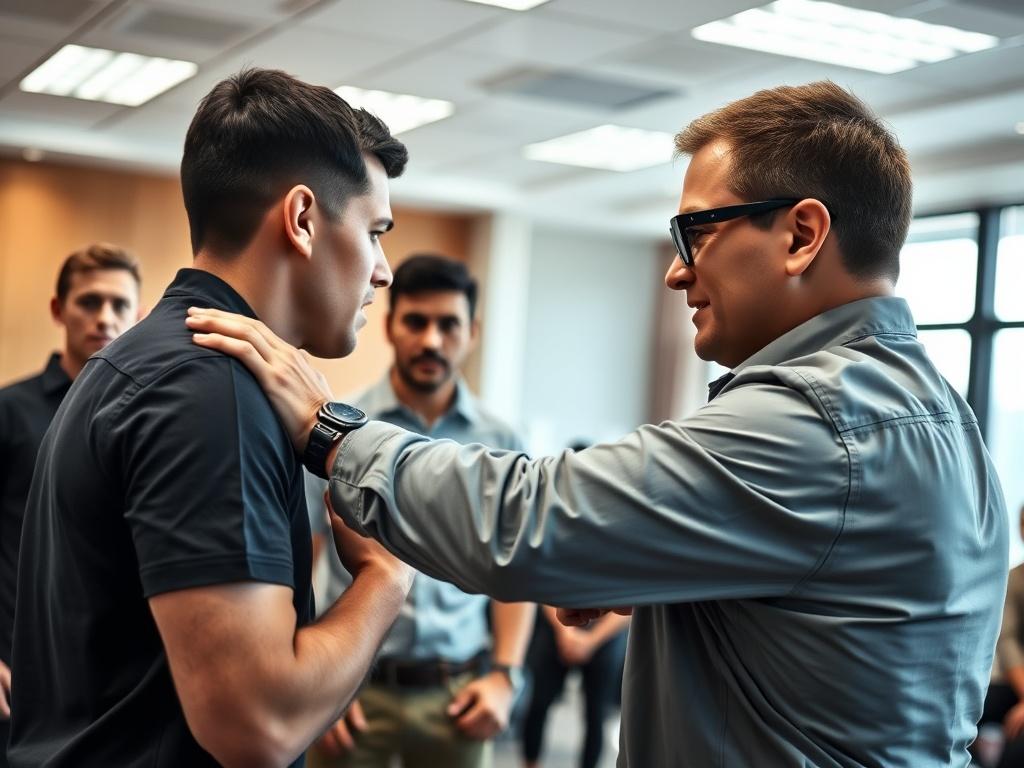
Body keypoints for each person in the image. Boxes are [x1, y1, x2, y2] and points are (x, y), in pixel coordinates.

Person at [187, 80, 1009, 767]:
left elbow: (528, 516)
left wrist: (333, 432)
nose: (679, 272)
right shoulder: (940, 418)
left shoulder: (821, 424)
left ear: (801, 234)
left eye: (697, 231)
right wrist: (650, 575)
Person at [9, 68, 413, 768]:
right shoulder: (208, 391)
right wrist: (384, 576)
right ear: (303, 219)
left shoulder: (153, 362)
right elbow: (258, 724)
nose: (383, 271)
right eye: (375, 232)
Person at [306, 254, 532, 768]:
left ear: (471, 332)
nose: (431, 340)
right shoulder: (336, 433)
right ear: (389, 326)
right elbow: (302, 557)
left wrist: (504, 676)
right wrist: (314, 682)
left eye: (448, 324)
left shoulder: (501, 443)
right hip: (352, 691)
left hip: (457, 697)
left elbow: (516, 568)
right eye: (416, 321)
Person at [0, 244, 141, 766]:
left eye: (119, 305)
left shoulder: (144, 419)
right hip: (17, 679)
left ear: (139, 315)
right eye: (89, 302)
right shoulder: (10, 412)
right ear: (59, 310)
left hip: (114, 683)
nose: (105, 317)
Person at [521, 603, 628, 768]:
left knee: (596, 714)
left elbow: (633, 603)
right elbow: (543, 585)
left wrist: (591, 641)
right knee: (537, 703)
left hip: (607, 634)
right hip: (557, 625)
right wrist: (565, 633)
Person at [975, 504, 1024, 768]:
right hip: (1018, 683)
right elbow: (1007, 641)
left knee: (1016, 750)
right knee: (964, 708)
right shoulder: (1015, 578)